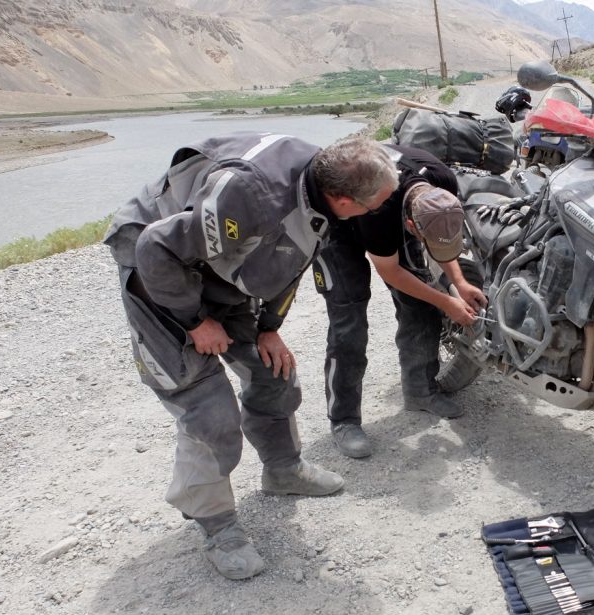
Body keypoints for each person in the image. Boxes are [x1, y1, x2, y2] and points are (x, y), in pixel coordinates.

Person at [104, 134, 399, 579]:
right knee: (210, 412)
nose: (376, 211)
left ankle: (283, 471)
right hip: (160, 271)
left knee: (274, 372)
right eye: (373, 205)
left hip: (213, 265)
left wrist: (270, 329)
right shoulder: (251, 194)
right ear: (341, 199)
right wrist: (193, 321)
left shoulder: (320, 181)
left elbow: (294, 259)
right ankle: (217, 526)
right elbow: (156, 247)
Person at [313, 144, 488, 459]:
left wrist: (459, 283)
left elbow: (442, 243)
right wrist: (447, 302)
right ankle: (344, 420)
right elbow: (390, 272)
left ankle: (420, 390)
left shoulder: (442, 180)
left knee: (420, 306)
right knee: (349, 325)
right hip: (340, 228)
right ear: (411, 226)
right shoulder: (380, 214)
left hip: (390, 206)